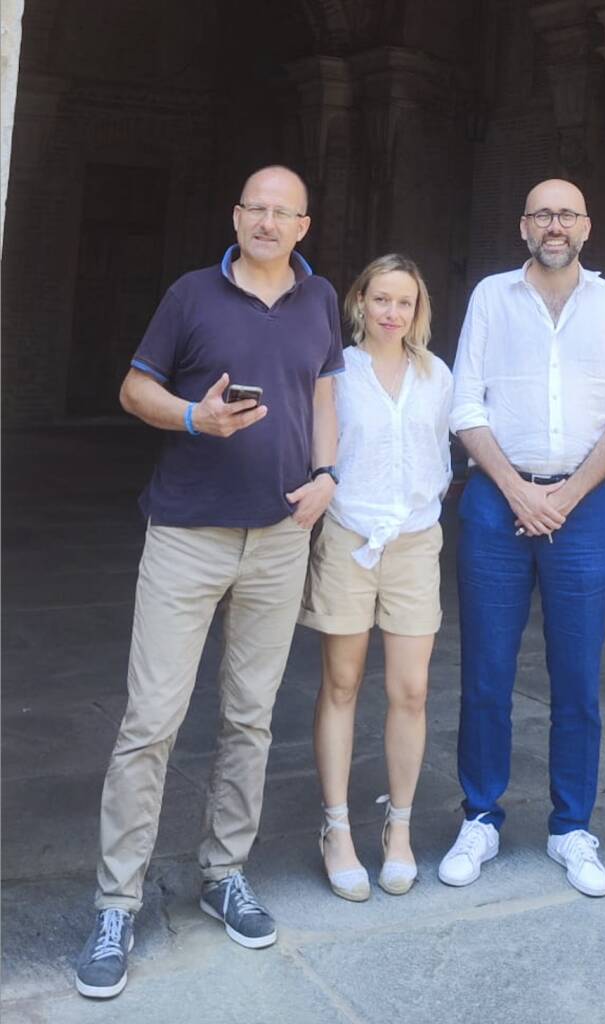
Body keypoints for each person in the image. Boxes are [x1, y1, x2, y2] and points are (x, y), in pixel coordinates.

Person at [75, 165, 343, 999]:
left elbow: (327, 389)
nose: (266, 222)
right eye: (254, 209)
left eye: (282, 212)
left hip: (278, 537)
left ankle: (223, 873)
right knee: (151, 721)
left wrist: (329, 472)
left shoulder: (322, 298)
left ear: (304, 225)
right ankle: (117, 902)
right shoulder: (192, 293)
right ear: (236, 216)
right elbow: (133, 389)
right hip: (188, 533)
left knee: (251, 718)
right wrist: (194, 416)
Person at [441, 178, 605, 897]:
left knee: (577, 677)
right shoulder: (491, 298)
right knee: (487, 672)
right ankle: (481, 817)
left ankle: (572, 827)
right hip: (500, 504)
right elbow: (465, 404)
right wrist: (518, 490)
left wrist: (566, 494)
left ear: (586, 227)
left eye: (566, 214)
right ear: (523, 225)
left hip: (581, 507)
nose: (554, 225)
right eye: (541, 215)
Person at [299, 254, 452, 900]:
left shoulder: (436, 375)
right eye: (382, 300)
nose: (393, 313)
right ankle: (336, 828)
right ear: (360, 302)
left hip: (415, 542)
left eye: (405, 302)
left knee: (411, 690)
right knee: (341, 682)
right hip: (350, 537)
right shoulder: (336, 371)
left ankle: (399, 829)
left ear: (419, 311)